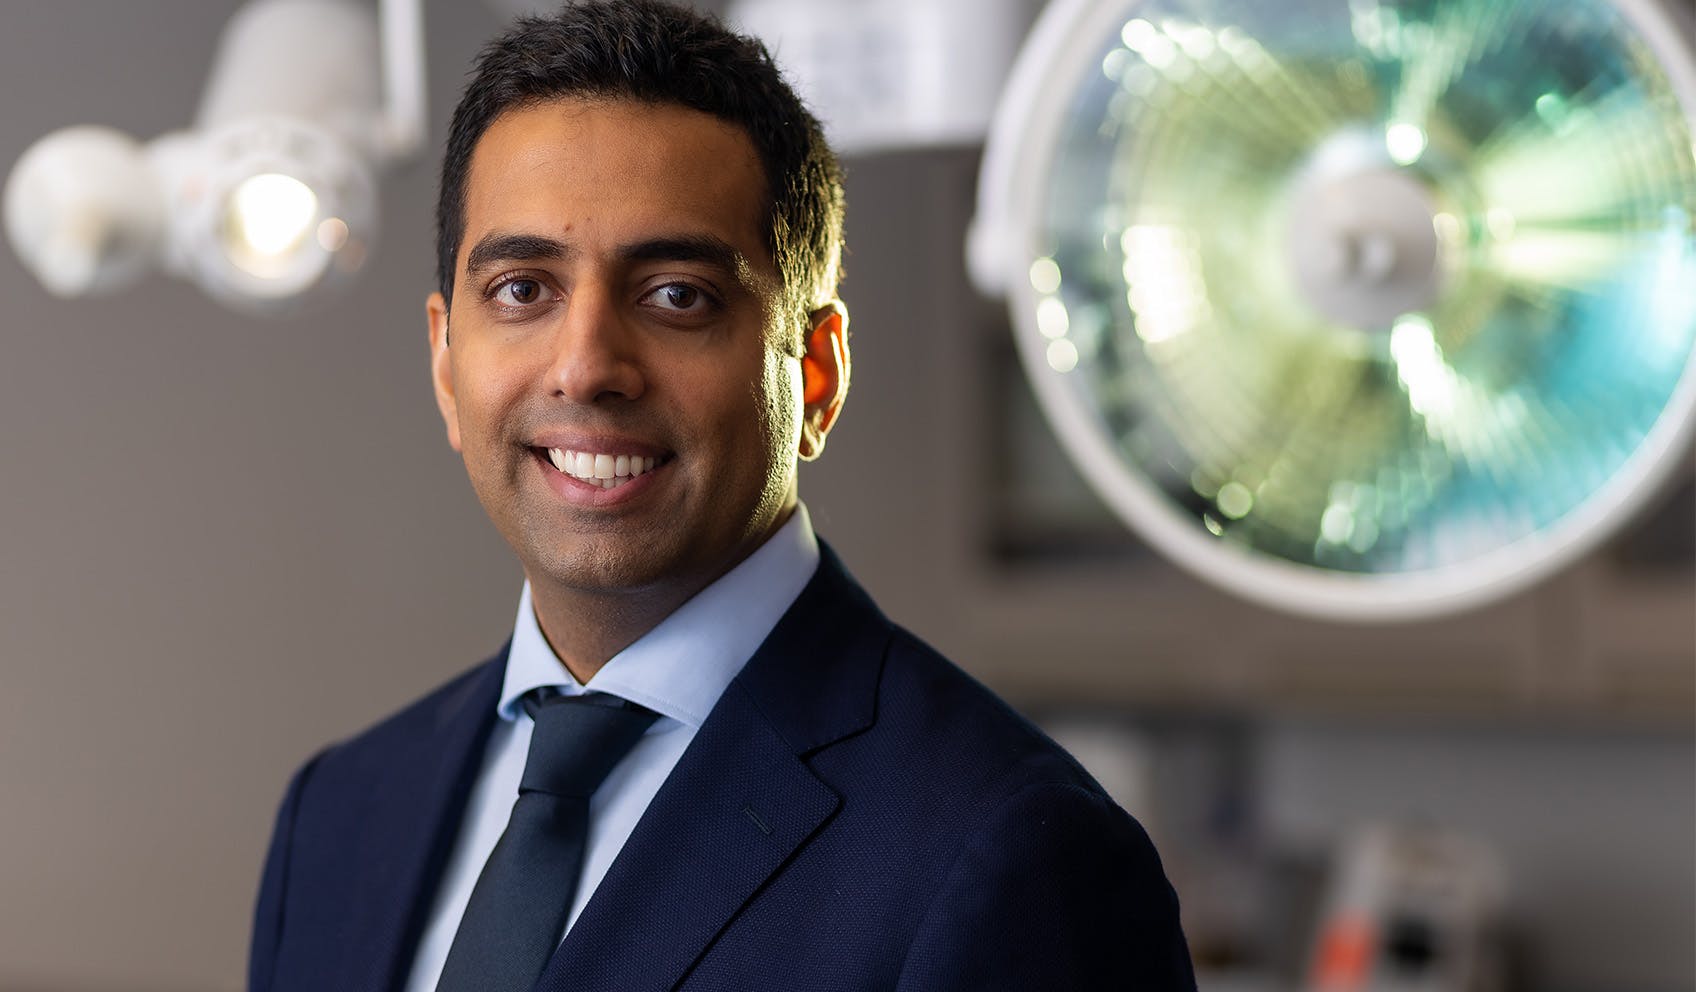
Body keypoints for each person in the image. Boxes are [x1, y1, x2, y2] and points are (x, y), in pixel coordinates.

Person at [247, 2, 1195, 989]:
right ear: (446, 363)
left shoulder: (1013, 853)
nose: (585, 368)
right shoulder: (339, 814)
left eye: (676, 295)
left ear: (815, 373)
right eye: (524, 289)